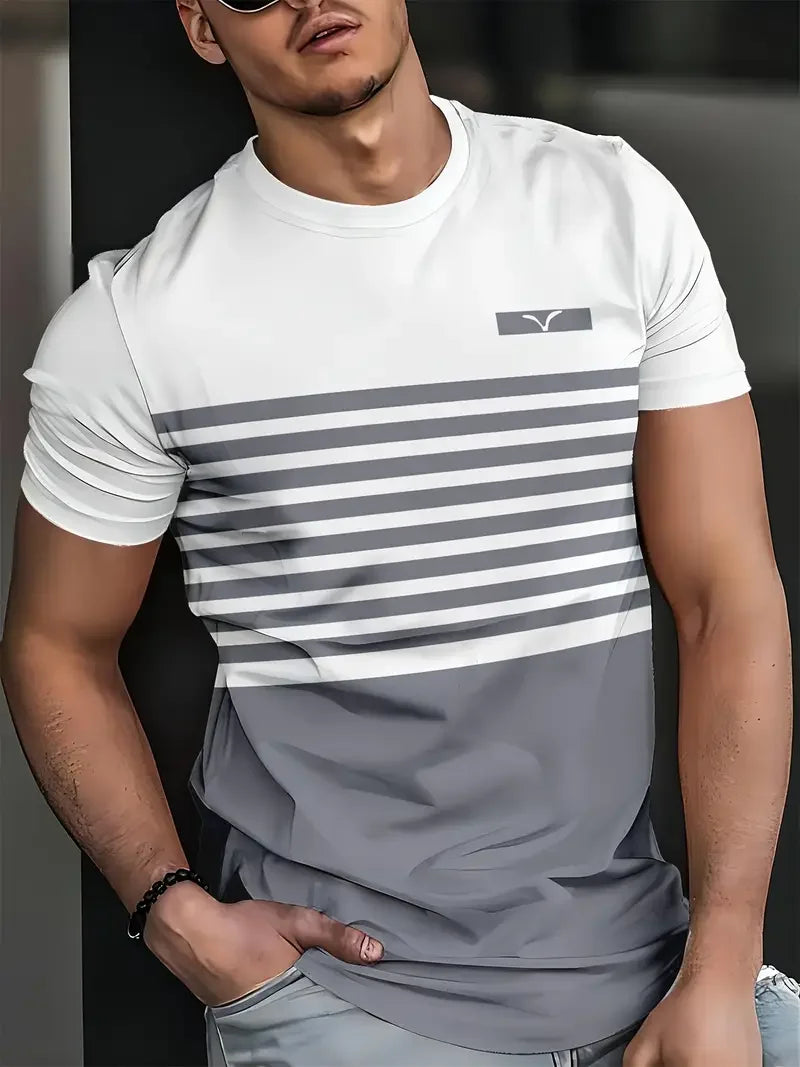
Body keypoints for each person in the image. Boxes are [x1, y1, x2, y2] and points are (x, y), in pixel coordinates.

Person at [0, 0, 797, 1064]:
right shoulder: (136, 323)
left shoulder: (611, 207)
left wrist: (723, 962)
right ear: (202, 27)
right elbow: (54, 643)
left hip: (661, 970)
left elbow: (725, 595)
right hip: (345, 1009)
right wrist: (170, 906)